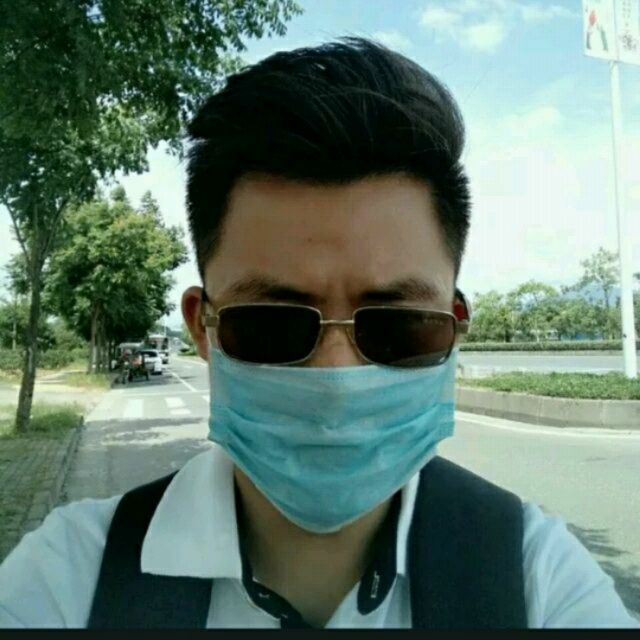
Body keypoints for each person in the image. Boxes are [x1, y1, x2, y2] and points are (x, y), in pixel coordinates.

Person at [0, 37, 637, 629]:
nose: (335, 377)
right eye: (272, 325)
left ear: (453, 330)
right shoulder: (68, 580)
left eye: (398, 327)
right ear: (202, 327)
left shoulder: (537, 580)